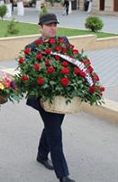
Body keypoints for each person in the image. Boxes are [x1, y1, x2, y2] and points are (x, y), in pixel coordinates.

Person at [26, 13, 75, 182]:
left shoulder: (64, 42)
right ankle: (63, 175)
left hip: (61, 97)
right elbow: (29, 76)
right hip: (43, 98)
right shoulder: (31, 48)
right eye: (49, 25)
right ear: (40, 28)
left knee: (52, 126)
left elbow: (73, 64)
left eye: (55, 24)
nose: (53, 27)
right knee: (55, 132)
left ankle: (41, 155)